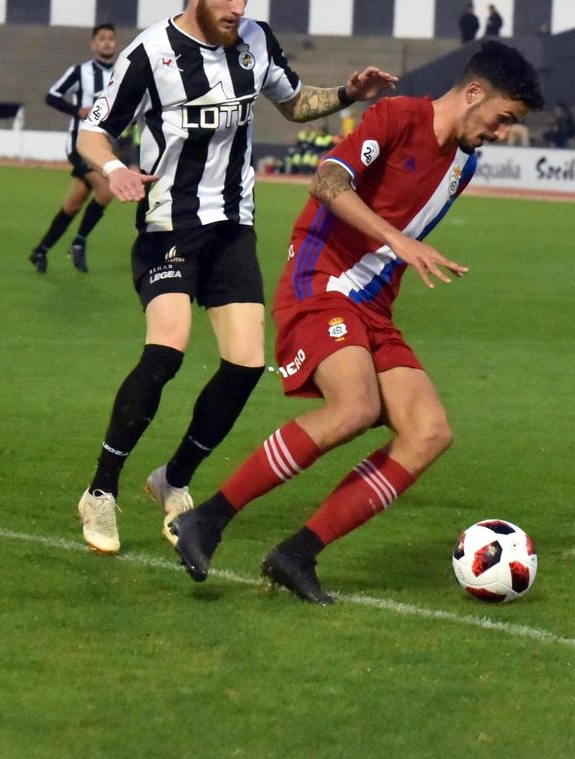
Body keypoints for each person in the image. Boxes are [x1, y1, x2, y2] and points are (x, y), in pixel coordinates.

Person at [168, 41, 544, 603]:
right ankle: (208, 520)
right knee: (357, 407)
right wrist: (399, 241)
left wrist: (397, 251)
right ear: (472, 94)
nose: (504, 132)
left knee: (428, 432)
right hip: (319, 277)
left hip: (371, 304)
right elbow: (327, 180)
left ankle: (296, 554)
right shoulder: (396, 116)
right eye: (503, 118)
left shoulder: (463, 162)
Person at [71, 0, 398, 555]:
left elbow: (295, 103)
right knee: (167, 350)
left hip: (233, 226)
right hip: (170, 225)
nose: (239, 8)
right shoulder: (150, 55)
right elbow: (93, 131)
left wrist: (348, 94)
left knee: (247, 364)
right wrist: (113, 171)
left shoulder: (254, 41)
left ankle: (173, 479)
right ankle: (101, 491)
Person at [30, 24, 120, 274]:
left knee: (74, 203)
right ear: (93, 44)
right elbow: (52, 96)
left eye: (111, 39)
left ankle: (41, 250)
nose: (107, 43)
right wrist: (77, 111)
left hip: (104, 145)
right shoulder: (80, 72)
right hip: (79, 144)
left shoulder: (120, 74)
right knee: (106, 189)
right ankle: (79, 243)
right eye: (102, 39)